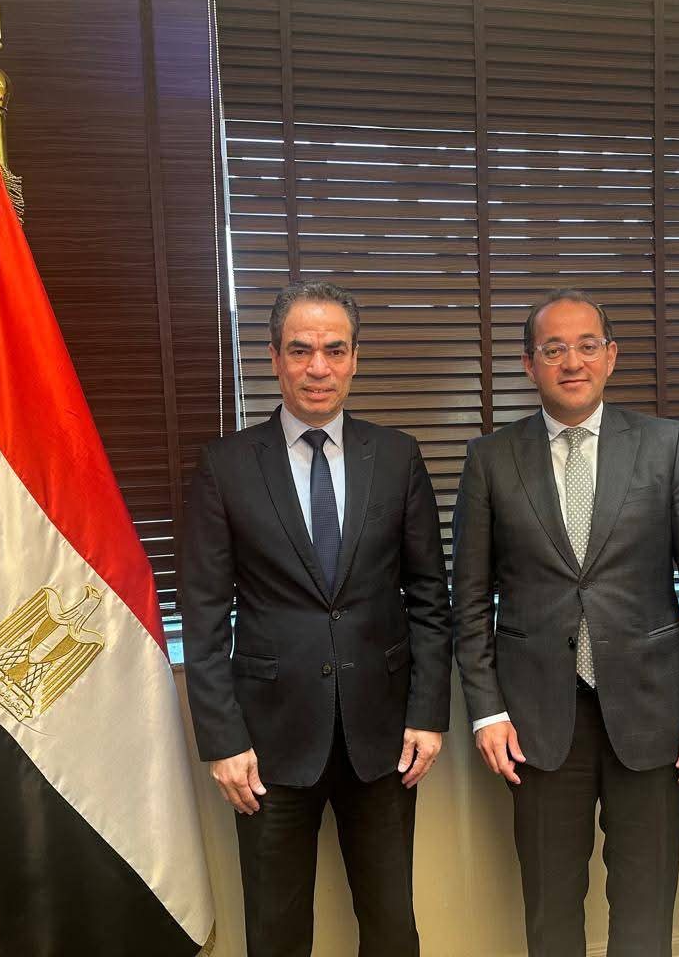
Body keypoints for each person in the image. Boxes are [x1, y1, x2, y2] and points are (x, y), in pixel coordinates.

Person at [452, 288, 679, 956]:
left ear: (611, 356)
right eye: (553, 349)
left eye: (587, 346)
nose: (572, 362)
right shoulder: (491, 459)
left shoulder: (667, 446)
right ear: (529, 364)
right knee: (551, 903)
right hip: (536, 718)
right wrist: (487, 712)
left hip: (653, 711)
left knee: (646, 899)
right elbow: (467, 599)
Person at [180, 281, 453, 957]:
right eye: (301, 350)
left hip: (383, 736)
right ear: (274, 357)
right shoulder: (226, 466)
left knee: (391, 926)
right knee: (275, 931)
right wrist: (221, 739)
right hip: (267, 745)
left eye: (335, 350)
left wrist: (427, 714)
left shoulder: (396, 457)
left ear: (356, 358)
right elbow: (204, 615)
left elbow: (428, 596)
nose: (318, 367)